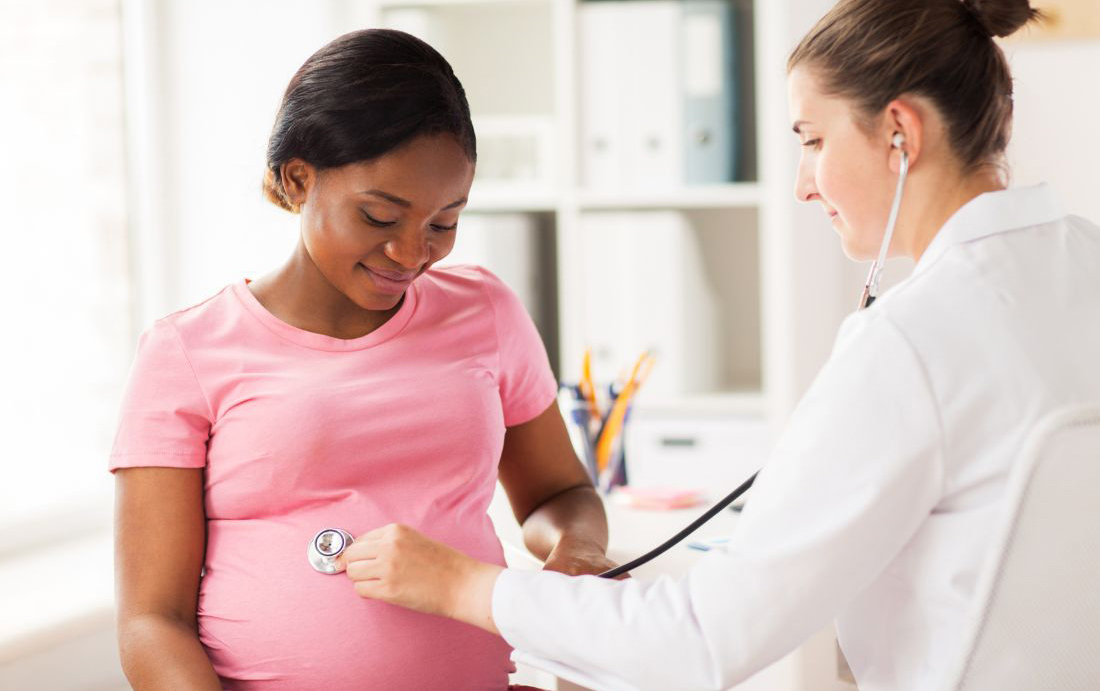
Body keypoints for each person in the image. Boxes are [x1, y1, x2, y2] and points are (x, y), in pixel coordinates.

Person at [340, 1, 1100, 690]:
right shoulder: (1084, 266)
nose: (804, 183)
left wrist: (458, 585)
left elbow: (704, 642)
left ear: (900, 131)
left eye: (812, 140)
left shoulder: (911, 343)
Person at [110, 29, 616, 691]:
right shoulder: (186, 351)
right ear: (298, 178)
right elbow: (152, 619)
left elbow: (561, 494)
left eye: (443, 222)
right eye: (380, 217)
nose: (411, 254)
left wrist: (576, 552)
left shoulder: (485, 311)